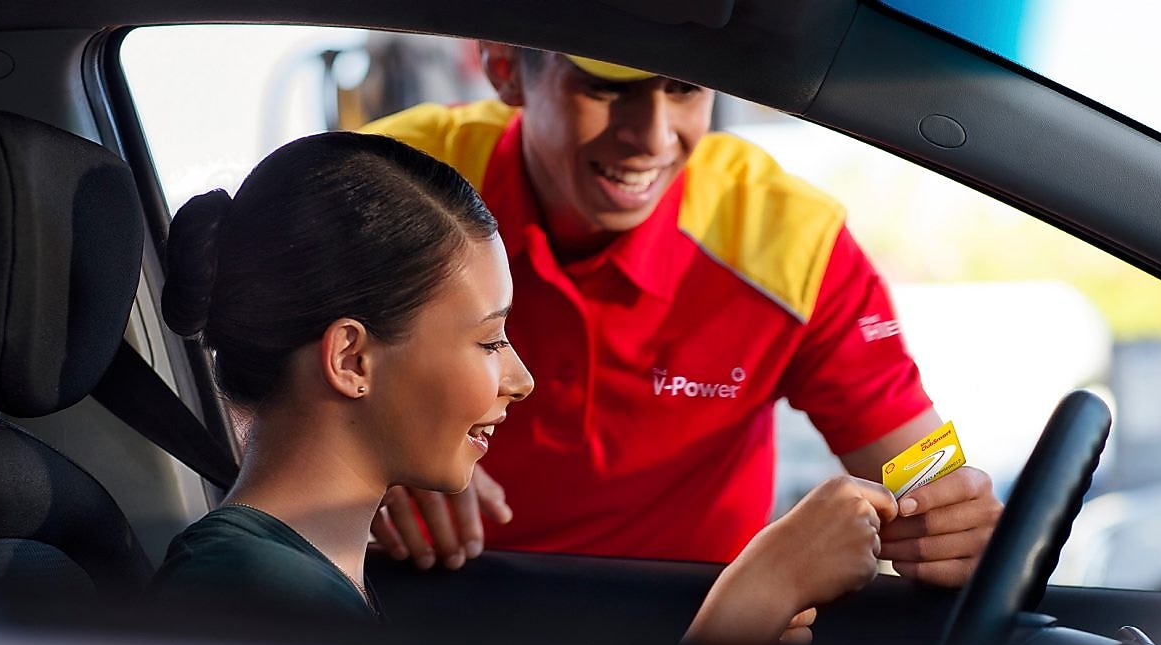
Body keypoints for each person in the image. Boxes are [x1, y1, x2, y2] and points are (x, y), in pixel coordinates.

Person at [148, 131, 899, 645]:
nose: (522, 379)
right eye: (488, 341)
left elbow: (920, 448)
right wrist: (736, 624)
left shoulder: (296, 575)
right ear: (350, 358)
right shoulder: (247, 593)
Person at [359, 46, 1002, 586]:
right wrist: (366, 450)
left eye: (686, 87)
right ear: (504, 66)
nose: (654, 137)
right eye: (608, 86)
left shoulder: (788, 241)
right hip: (410, 626)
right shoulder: (386, 184)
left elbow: (924, 479)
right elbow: (263, 406)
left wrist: (956, 520)